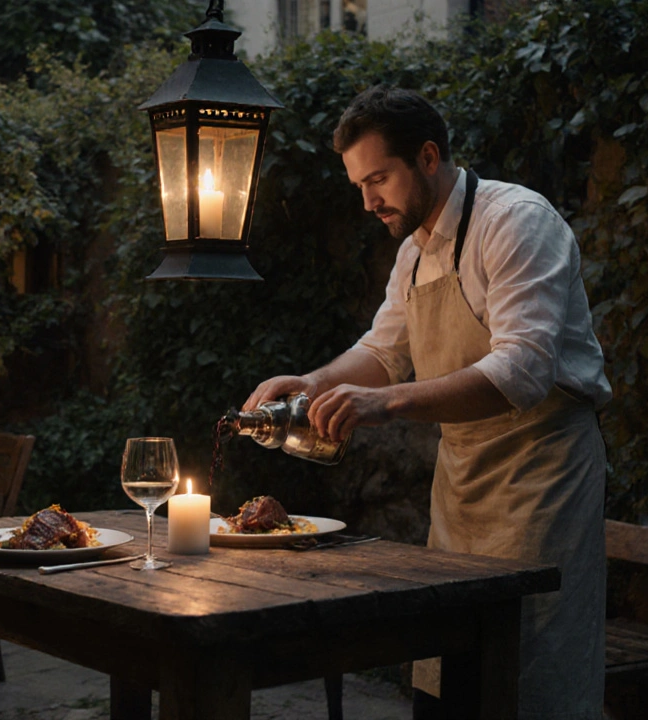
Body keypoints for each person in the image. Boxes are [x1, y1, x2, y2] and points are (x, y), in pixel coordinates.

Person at [243, 86, 611, 719]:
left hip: (541, 483)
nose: (368, 201)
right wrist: (312, 383)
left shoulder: (515, 221)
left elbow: (523, 369)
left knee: (527, 680)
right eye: (359, 185)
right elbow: (383, 351)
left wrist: (384, 405)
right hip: (463, 485)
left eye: (378, 179)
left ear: (429, 156)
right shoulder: (414, 250)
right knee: (446, 679)